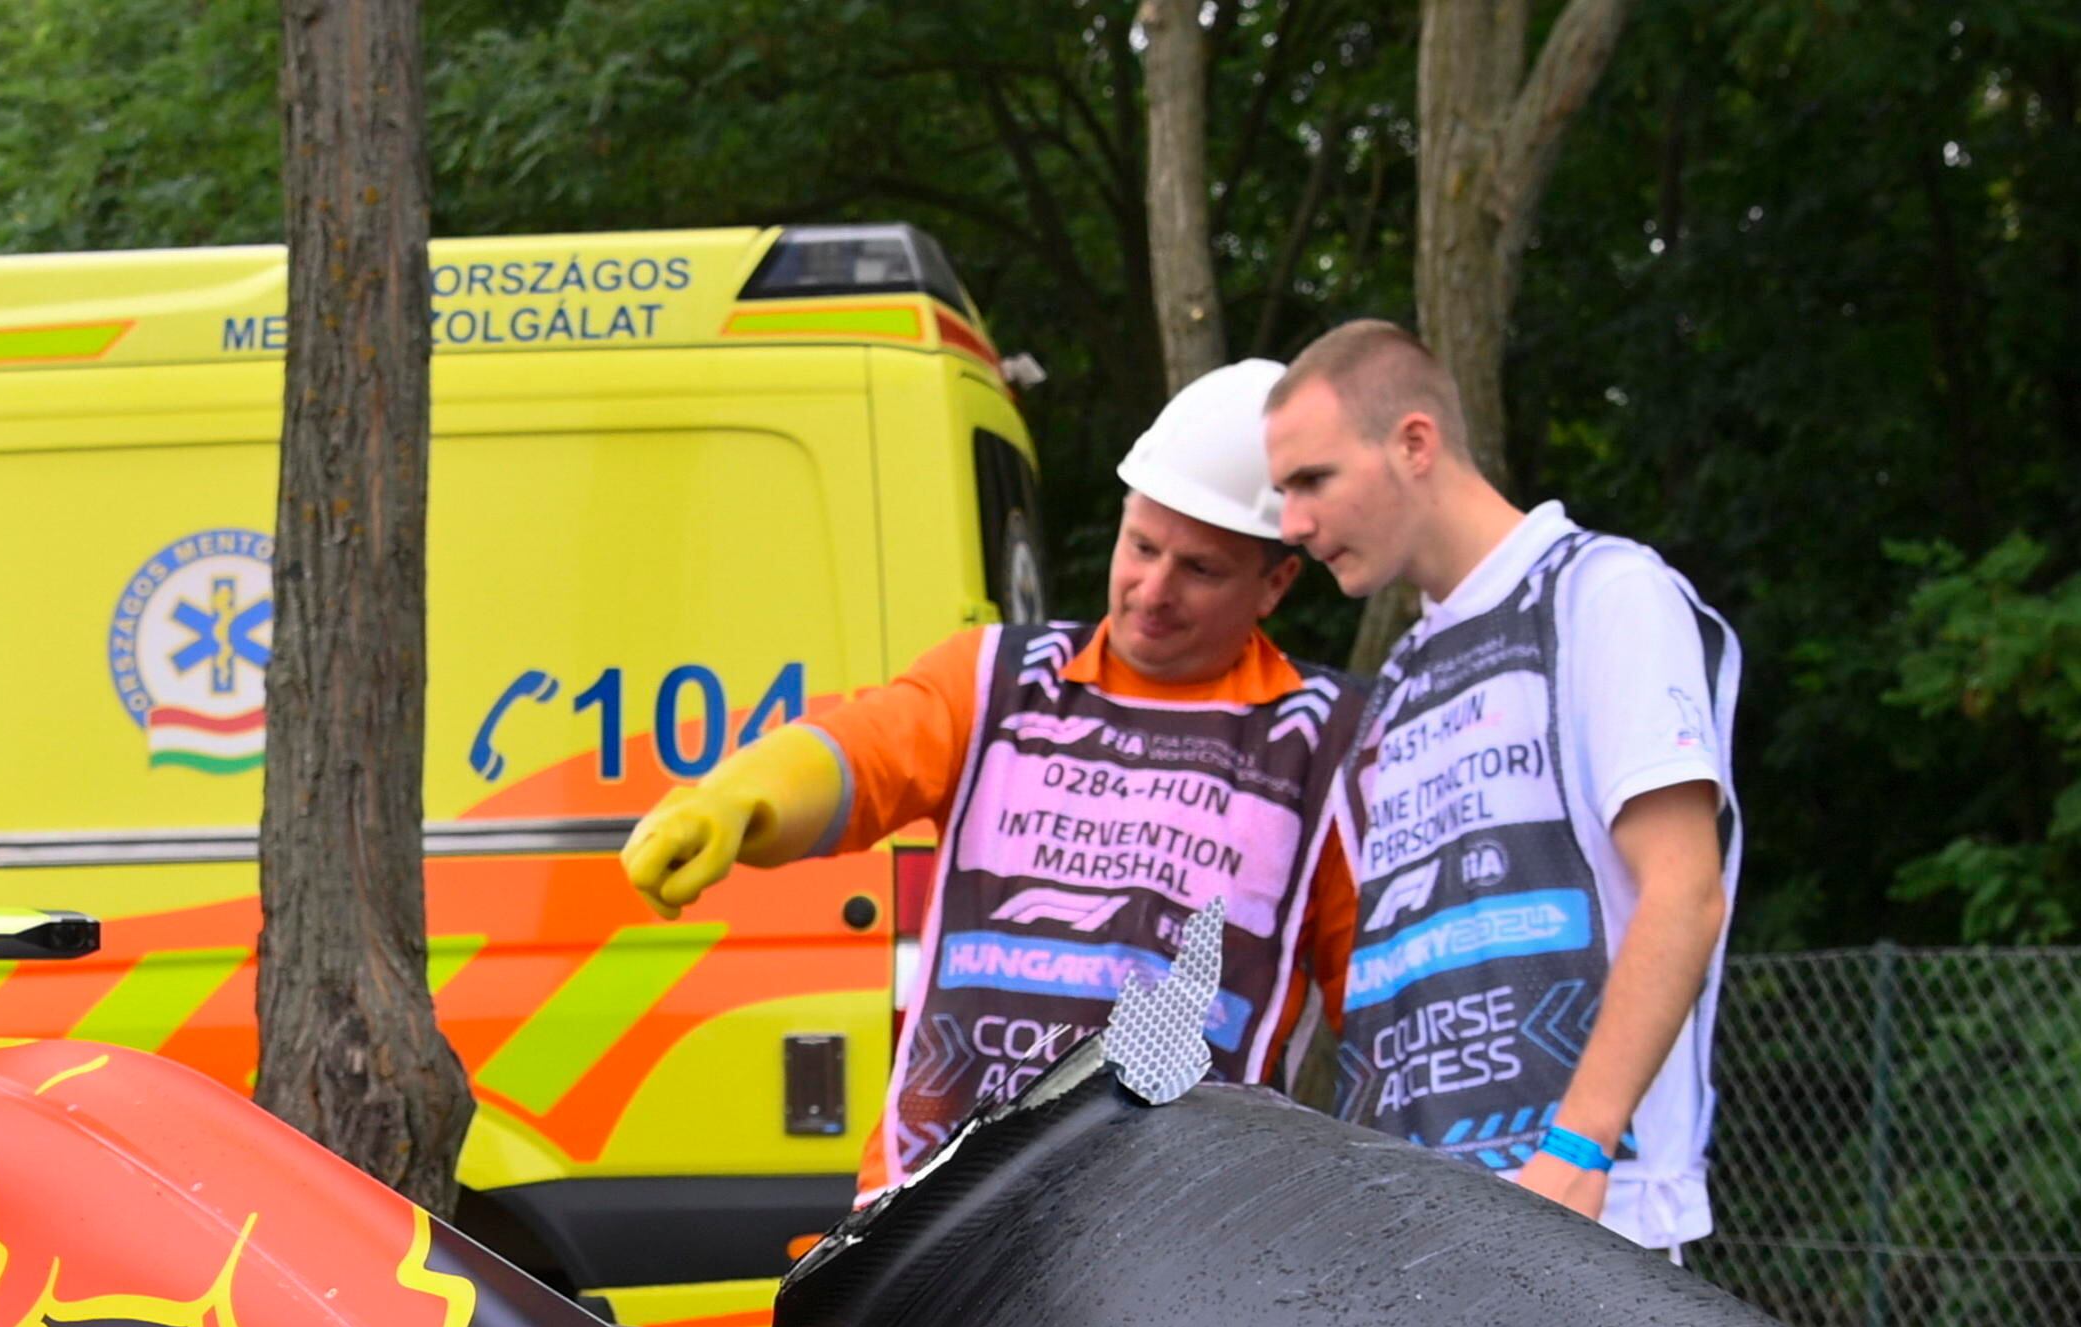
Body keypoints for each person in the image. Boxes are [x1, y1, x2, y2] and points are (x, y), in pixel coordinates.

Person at [619, 360, 1358, 1185]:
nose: (1152, 589)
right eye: (1141, 546)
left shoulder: (1323, 745)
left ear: (1277, 582)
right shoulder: (1000, 679)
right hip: (934, 1208)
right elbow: (864, 750)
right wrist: (741, 798)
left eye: (1200, 569)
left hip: (1176, 1237)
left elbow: (1375, 999)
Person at [1261, 319, 1741, 1251]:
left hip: (1588, 1223)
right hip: (1431, 1243)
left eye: (1313, 480)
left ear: (1414, 444)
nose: (1293, 525)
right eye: (1283, 492)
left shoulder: (1603, 593)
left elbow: (1685, 890)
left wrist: (1579, 1150)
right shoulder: (1399, 677)